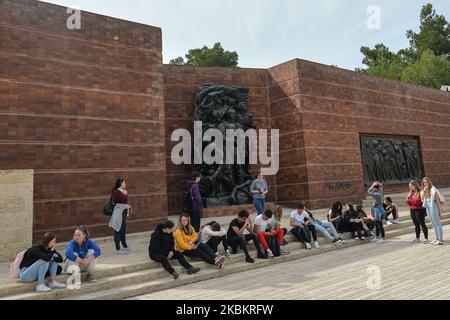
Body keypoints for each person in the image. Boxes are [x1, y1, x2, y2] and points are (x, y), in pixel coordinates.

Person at [109, 177, 132, 254]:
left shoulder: (125, 191)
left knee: (123, 229)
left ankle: (124, 246)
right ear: (120, 183)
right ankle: (118, 249)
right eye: (124, 182)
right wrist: (124, 205)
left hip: (124, 212)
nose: (125, 184)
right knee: (118, 229)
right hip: (118, 212)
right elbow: (115, 201)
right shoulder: (116, 191)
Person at [421, 177, 445, 245]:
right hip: (428, 207)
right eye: (424, 182)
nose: (425, 184)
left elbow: (437, 202)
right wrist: (424, 191)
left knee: (437, 223)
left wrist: (440, 211)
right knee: (433, 224)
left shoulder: (433, 190)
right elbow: (422, 199)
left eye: (427, 182)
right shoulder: (424, 190)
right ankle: (437, 238)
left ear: (429, 182)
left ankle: (440, 239)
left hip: (433, 206)